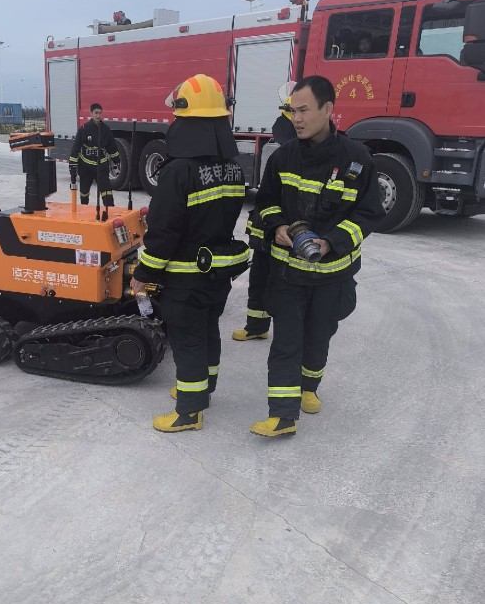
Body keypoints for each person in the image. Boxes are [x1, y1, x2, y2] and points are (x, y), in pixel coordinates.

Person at [250, 75, 384, 438]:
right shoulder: (283, 158)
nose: (297, 119)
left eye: (304, 110)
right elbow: (265, 204)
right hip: (288, 275)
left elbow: (369, 213)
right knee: (286, 342)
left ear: (328, 109)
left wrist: (331, 242)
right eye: (293, 111)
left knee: (318, 336)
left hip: (332, 277)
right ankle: (282, 416)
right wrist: (277, 226)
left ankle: (309, 387)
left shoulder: (357, 160)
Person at [131, 74, 249, 433]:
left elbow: (164, 232)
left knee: (187, 340)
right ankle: (204, 388)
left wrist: (143, 274)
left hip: (185, 277)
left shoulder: (178, 171)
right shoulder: (233, 167)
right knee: (208, 330)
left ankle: (189, 411)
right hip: (217, 272)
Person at [232, 87, 297, 343]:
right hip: (267, 230)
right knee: (259, 279)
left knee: (281, 283)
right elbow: (267, 195)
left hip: (284, 233)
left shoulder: (297, 155)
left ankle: (286, 332)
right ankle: (256, 326)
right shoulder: (282, 150)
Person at [69, 103, 119, 207]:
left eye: (100, 113)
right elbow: (76, 148)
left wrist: (117, 160)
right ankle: (84, 212)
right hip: (85, 166)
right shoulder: (84, 129)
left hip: (101, 166)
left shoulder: (106, 129)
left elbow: (112, 147)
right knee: (84, 193)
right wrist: (72, 166)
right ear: (91, 113)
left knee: (107, 193)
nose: (98, 115)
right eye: (96, 113)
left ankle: (109, 211)